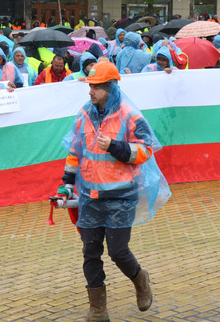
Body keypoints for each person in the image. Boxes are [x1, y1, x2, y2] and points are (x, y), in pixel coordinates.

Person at [60, 62, 170, 320]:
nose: (90, 92)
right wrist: (66, 182)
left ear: (110, 87)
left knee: (118, 251)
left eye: (96, 87)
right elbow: (75, 152)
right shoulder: (84, 115)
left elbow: (145, 151)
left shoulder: (130, 115)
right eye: (90, 86)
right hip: (90, 197)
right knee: (90, 252)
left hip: (121, 196)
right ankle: (97, 309)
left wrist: (115, 147)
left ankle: (140, 279)